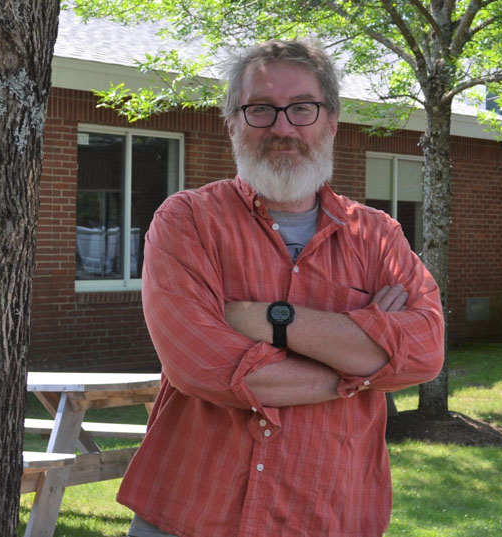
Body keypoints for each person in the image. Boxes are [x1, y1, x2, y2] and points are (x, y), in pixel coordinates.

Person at [118, 39, 445, 537]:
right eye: (261, 110)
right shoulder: (187, 221)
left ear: (330, 122)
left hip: (331, 515)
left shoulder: (379, 236)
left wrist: (269, 319)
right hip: (192, 515)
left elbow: (424, 352)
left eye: (302, 108)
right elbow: (202, 366)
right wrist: (358, 365)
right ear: (232, 123)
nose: (282, 127)